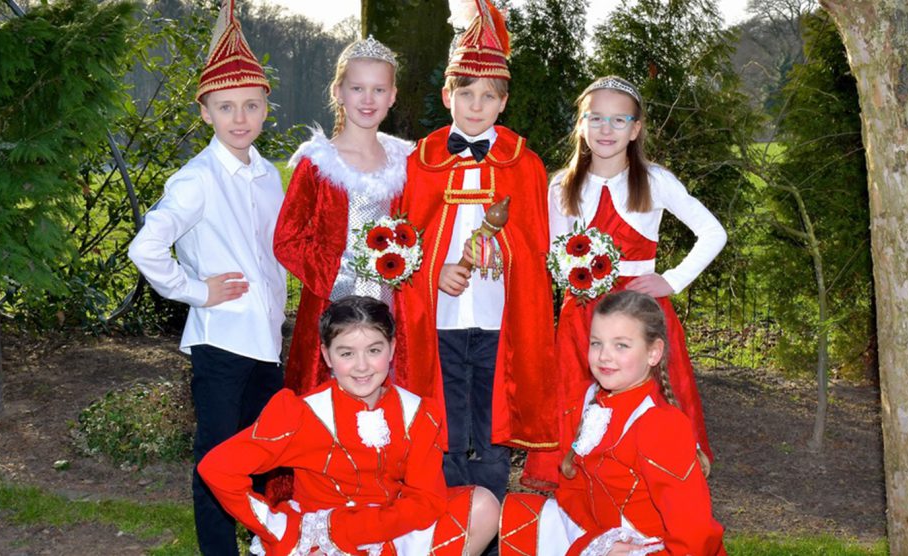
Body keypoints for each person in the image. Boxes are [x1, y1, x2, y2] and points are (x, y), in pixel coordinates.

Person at [127, 1, 286, 552]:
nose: (239, 117)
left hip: (267, 343)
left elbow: (274, 254)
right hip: (221, 343)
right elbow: (146, 246)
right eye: (225, 107)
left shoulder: (269, 178)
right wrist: (196, 291)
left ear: (266, 110)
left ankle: (272, 542)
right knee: (218, 459)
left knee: (272, 452)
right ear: (205, 113)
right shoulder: (195, 180)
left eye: (250, 105)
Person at [522, 75, 726, 489]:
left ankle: (645, 492)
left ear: (635, 129)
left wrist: (671, 280)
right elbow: (553, 254)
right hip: (583, 318)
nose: (606, 130)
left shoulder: (654, 180)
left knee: (643, 403)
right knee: (579, 404)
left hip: (639, 314)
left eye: (619, 121)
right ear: (580, 124)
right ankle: (580, 498)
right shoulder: (562, 185)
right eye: (595, 118)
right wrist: (570, 274)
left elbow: (713, 232)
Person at [394, 0, 557, 504]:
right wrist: (432, 271)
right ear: (448, 94)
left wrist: (504, 250)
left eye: (489, 96)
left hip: (496, 322)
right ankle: (443, 525)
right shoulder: (420, 163)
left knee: (490, 434)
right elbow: (401, 248)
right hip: (438, 321)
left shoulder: (523, 164)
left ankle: (487, 531)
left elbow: (535, 247)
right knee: (443, 425)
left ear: (503, 102)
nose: (476, 105)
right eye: (466, 93)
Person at [198, 296, 501, 555]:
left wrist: (356, 529)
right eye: (346, 353)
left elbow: (427, 500)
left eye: (374, 350)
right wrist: (276, 525)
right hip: (321, 540)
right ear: (327, 355)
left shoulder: (418, 413)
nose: (362, 366)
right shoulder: (301, 413)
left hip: (391, 527)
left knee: (484, 506)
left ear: (393, 349)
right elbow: (217, 468)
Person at [500, 291, 727, 555]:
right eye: (596, 343)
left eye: (621, 345)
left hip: (653, 549)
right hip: (603, 536)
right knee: (516, 514)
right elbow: (573, 489)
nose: (604, 356)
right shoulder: (592, 401)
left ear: (654, 353)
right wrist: (598, 541)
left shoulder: (660, 424)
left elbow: (694, 531)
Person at [273, 36, 413, 396]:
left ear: (392, 96)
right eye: (357, 88)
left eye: (378, 89)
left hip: (393, 307)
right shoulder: (318, 163)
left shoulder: (407, 162)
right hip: (331, 305)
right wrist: (334, 275)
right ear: (338, 91)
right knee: (328, 405)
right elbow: (287, 238)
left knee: (388, 400)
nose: (368, 99)